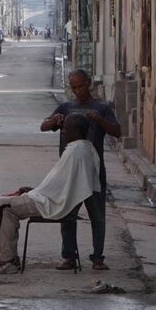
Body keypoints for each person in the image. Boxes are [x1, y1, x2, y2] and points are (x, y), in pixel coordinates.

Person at [0, 114, 100, 274]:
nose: (63, 132)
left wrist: (34, 193)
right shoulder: (86, 148)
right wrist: (33, 190)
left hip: (53, 204)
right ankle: (9, 258)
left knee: (1, 205)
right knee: (7, 203)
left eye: (66, 129)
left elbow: (58, 188)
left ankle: (5, 261)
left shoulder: (75, 152)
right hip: (54, 199)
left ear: (77, 132)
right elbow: (59, 184)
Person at [40, 69, 121, 270]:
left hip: (93, 170)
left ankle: (97, 257)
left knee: (97, 215)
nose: (77, 91)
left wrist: (99, 121)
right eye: (73, 87)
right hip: (69, 172)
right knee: (67, 213)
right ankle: (69, 256)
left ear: (89, 83)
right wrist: (55, 121)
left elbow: (118, 131)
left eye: (81, 86)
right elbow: (43, 126)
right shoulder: (66, 107)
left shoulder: (101, 108)